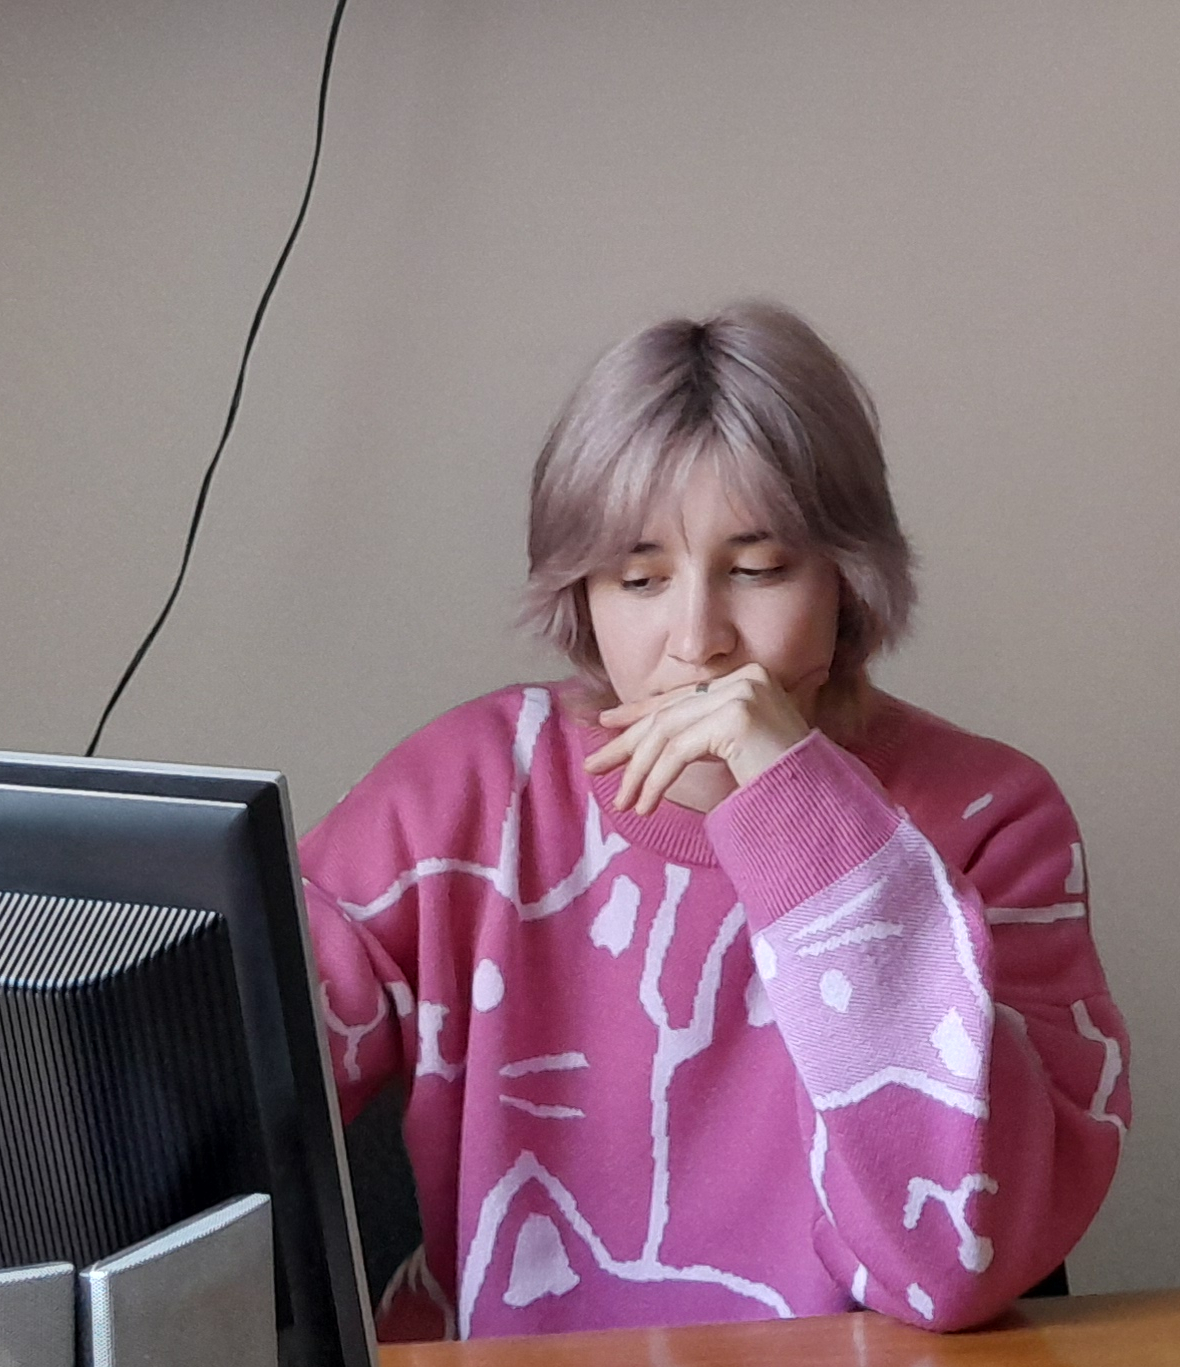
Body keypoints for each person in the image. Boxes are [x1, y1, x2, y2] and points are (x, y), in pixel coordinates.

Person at [300, 302, 1129, 1340]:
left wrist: (797, 807)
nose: (697, 639)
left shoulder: (988, 818)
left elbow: (955, 1266)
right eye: (639, 578)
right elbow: (232, 1091)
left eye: (757, 568)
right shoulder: (461, 794)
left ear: (846, 578)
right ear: (581, 593)